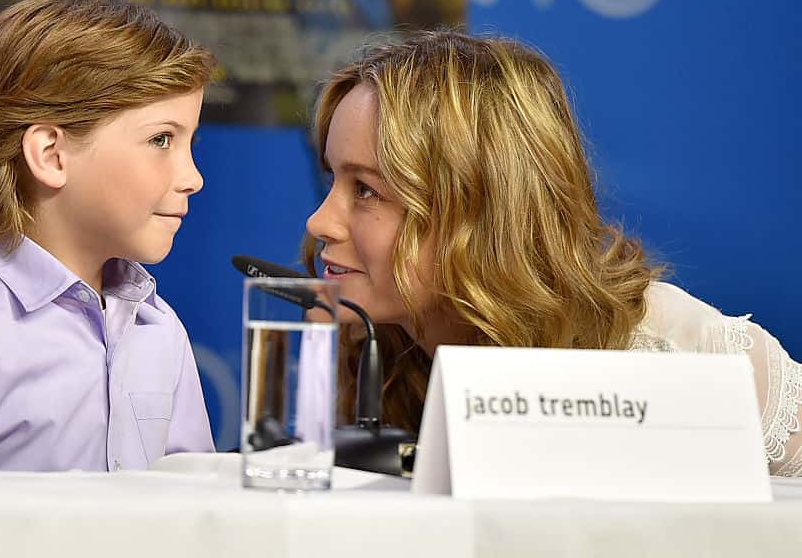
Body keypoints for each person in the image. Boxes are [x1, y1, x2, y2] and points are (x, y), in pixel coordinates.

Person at [302, 30, 802, 476]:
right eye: (332, 180)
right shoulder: (379, 355)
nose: (319, 222)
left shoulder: (700, 361)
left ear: (480, 210)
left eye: (366, 189)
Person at [0, 0, 217, 471]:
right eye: (161, 139)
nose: (193, 177)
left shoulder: (161, 333)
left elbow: (195, 519)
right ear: (51, 155)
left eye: (189, 143)